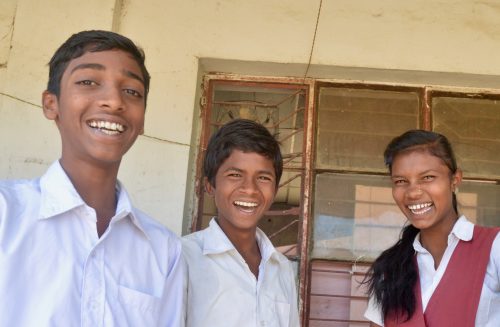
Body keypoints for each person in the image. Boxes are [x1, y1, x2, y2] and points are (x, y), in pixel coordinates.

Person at [0, 30, 184, 326]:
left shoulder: (164, 249)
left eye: (132, 91)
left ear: (144, 118)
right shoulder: (6, 214)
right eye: (88, 82)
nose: (113, 101)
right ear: (51, 104)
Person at [363, 130, 500, 326]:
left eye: (427, 177)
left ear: (454, 180)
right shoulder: (391, 269)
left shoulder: (493, 248)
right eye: (401, 181)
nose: (413, 192)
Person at [182, 119, 300, 327]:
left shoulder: (281, 268)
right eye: (235, 175)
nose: (250, 189)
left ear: (275, 190)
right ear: (210, 186)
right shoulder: (183, 258)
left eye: (263, 178)